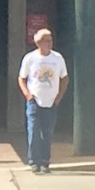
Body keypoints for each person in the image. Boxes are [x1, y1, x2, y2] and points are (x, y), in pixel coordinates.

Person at [18, 28, 69, 174]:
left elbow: (64, 78)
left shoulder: (57, 58)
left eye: (50, 40)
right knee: (33, 131)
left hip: (51, 101)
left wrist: (58, 97)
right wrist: (28, 95)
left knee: (48, 132)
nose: (49, 43)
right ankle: (34, 161)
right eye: (46, 40)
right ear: (38, 43)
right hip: (34, 100)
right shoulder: (30, 58)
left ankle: (45, 162)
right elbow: (22, 78)